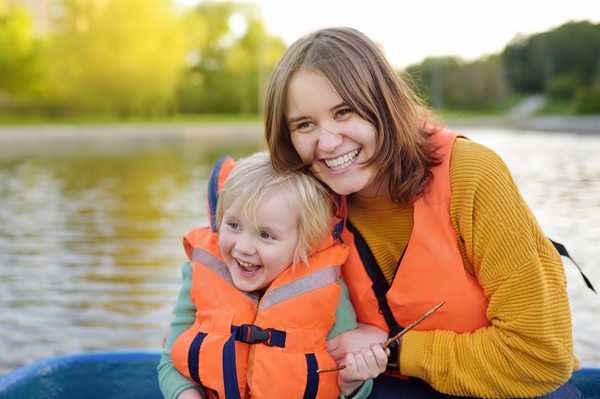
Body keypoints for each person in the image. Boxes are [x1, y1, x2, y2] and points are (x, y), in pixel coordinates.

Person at [263, 27, 583, 398]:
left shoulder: (472, 174)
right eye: (305, 125)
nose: (329, 142)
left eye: (344, 111)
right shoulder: (299, 199)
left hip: (504, 383)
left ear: (384, 103)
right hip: (380, 386)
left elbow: (542, 357)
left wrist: (393, 350)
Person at [158, 152, 389, 399]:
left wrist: (353, 382)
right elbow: (170, 362)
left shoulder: (329, 292)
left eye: (266, 235)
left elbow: (345, 386)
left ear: (306, 243)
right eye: (233, 225)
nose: (243, 247)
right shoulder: (198, 274)